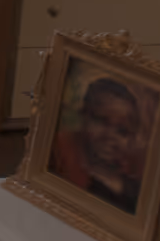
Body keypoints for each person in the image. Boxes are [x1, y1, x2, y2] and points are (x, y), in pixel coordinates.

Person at [48, 76, 147, 214]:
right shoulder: (60, 163)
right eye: (101, 121)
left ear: (132, 139)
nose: (109, 136)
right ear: (83, 116)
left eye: (122, 131)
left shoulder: (136, 191)